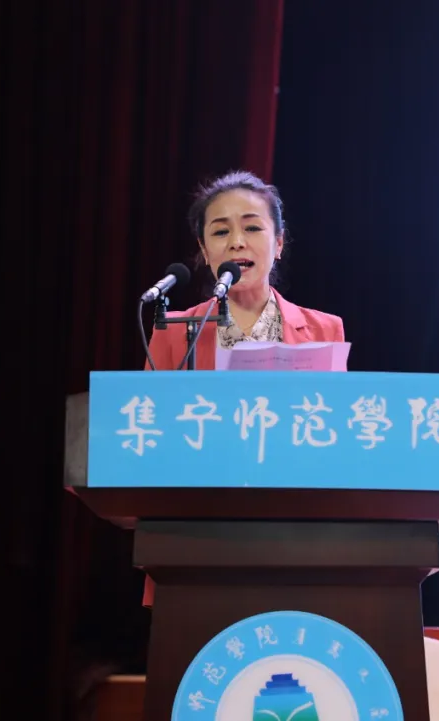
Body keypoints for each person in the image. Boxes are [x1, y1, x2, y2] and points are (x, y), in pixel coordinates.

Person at [141, 170, 346, 606]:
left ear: (279, 242)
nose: (237, 242)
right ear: (204, 251)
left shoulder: (324, 330)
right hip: (199, 538)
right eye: (221, 231)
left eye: (252, 227)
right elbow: (150, 441)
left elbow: (335, 442)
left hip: (297, 535)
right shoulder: (174, 331)